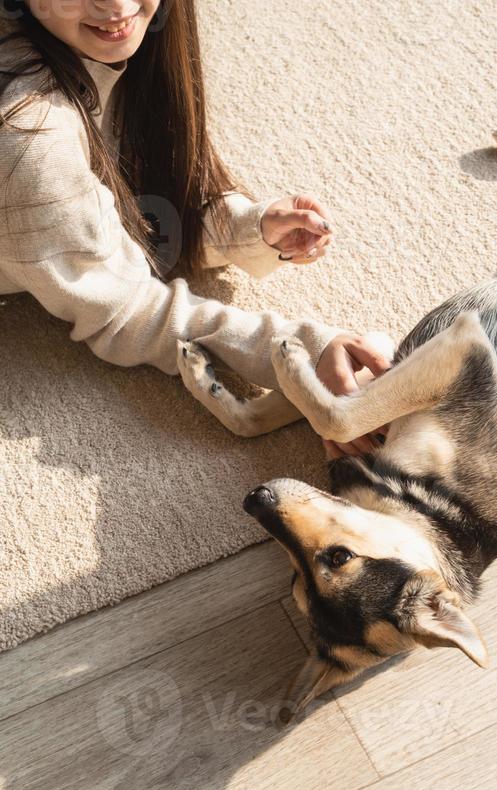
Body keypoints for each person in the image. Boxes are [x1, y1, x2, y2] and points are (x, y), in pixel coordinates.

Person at [0, 0, 392, 454]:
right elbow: (120, 309)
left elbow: (135, 180)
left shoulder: (84, 37)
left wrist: (245, 226)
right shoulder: (26, 135)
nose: (117, 6)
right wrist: (302, 354)